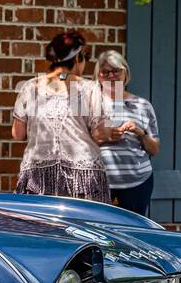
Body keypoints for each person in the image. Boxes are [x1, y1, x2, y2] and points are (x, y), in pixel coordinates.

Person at [11, 29, 123, 203]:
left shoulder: (30, 87)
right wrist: (112, 132)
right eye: (85, 57)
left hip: (39, 176)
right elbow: (99, 134)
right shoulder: (89, 88)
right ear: (78, 58)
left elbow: (18, 134)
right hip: (82, 176)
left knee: (40, 228)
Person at [95, 49, 160, 217]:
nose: (111, 76)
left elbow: (154, 150)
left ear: (126, 73)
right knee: (98, 230)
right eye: (105, 72)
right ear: (98, 76)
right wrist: (104, 136)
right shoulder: (89, 104)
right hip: (98, 182)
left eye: (116, 71)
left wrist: (141, 133)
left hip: (138, 182)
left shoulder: (142, 105)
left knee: (134, 231)